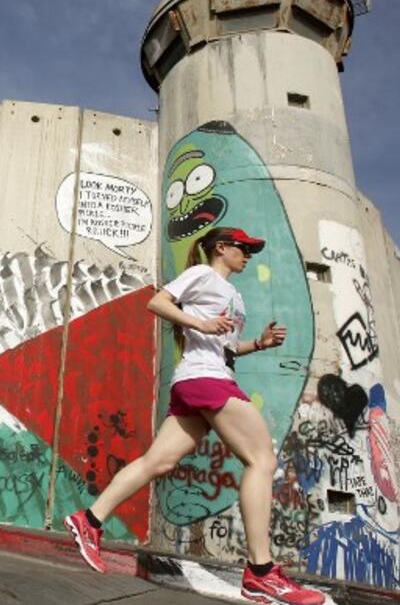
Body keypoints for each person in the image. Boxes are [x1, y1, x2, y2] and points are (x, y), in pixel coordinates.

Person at [63, 227, 324, 605]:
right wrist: (199, 323)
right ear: (221, 248)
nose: (248, 254)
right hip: (206, 379)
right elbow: (158, 302)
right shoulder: (203, 275)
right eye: (243, 248)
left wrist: (259, 344)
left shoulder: (234, 295)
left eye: (251, 249)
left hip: (205, 376)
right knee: (261, 458)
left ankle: (89, 520)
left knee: (159, 459)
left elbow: (225, 349)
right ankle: (261, 573)